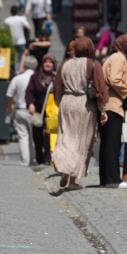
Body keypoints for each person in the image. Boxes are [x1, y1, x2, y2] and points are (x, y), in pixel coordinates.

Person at [52, 38, 108, 192]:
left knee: (66, 137)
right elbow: (101, 88)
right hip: (84, 104)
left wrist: (59, 102)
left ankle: (64, 166)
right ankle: (73, 178)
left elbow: (57, 86)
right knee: (82, 141)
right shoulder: (93, 64)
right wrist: (103, 109)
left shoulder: (64, 64)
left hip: (67, 101)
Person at [100, 35, 127, 187]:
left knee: (108, 144)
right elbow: (115, 79)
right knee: (112, 144)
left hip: (111, 104)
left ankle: (106, 178)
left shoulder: (117, 57)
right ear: (126, 45)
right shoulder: (119, 58)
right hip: (113, 105)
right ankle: (112, 179)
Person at [26, 54, 57, 167]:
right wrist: (30, 103)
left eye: (50, 62)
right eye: (45, 62)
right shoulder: (35, 77)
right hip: (39, 111)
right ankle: (39, 158)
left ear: (54, 65)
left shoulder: (57, 78)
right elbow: (29, 92)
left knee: (50, 135)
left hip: (52, 112)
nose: (48, 64)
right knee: (37, 136)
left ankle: (48, 158)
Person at [7, 55, 37, 166]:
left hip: (20, 110)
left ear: (24, 65)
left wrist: (9, 106)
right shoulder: (37, 78)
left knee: (23, 136)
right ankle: (34, 159)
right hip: (34, 111)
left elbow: (9, 94)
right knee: (34, 137)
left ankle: (25, 161)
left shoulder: (18, 78)